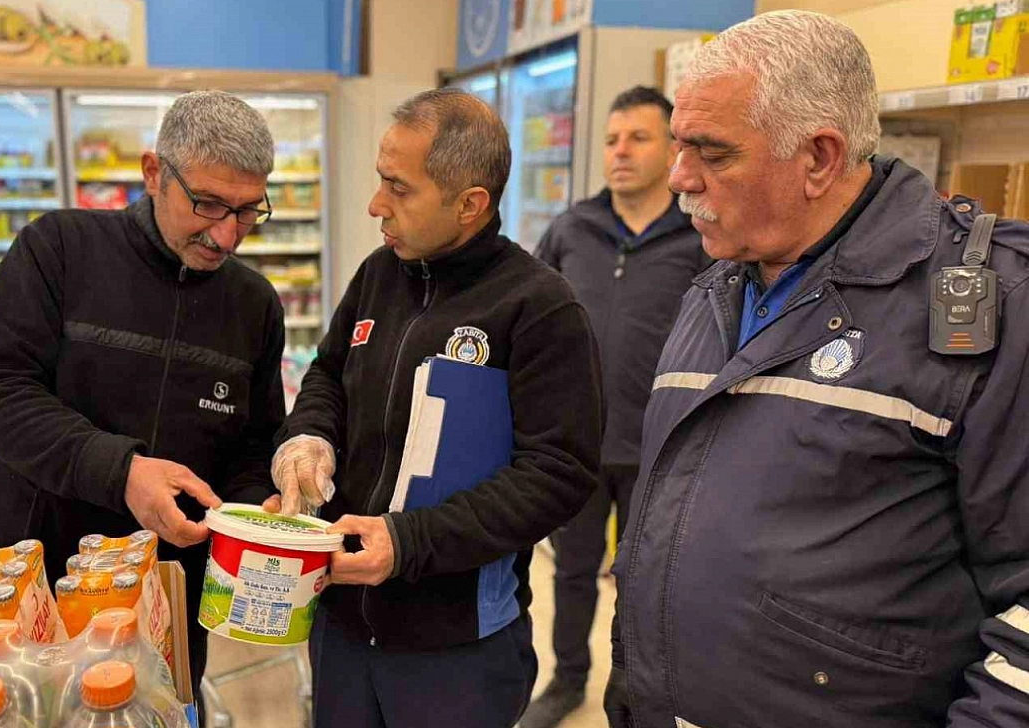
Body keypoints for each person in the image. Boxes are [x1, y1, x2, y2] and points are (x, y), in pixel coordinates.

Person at [605, 11, 1029, 728]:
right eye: (679, 145)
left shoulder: (994, 305)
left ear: (819, 158)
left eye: (713, 153)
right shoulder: (716, 284)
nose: (679, 178)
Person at [264, 87, 604, 727]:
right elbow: (329, 373)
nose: (376, 204)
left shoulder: (539, 309)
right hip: (339, 620)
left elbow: (557, 474)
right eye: (380, 180)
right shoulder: (378, 273)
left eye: (399, 188)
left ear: (470, 204)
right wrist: (308, 438)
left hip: (457, 648)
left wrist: (406, 542)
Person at [0, 90, 286, 707]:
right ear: (154, 173)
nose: (225, 236)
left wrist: (254, 512)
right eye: (207, 204)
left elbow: (252, 443)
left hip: (169, 592)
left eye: (247, 211)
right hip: (38, 577)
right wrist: (123, 472)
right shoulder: (58, 249)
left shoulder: (254, 305)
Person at [520, 86, 708, 728]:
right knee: (571, 572)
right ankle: (567, 680)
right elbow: (529, 321)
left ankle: (633, 693)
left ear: (673, 148)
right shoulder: (572, 228)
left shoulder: (699, 235)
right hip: (577, 444)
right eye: (611, 139)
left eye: (638, 138)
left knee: (646, 580)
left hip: (664, 447)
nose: (620, 151)